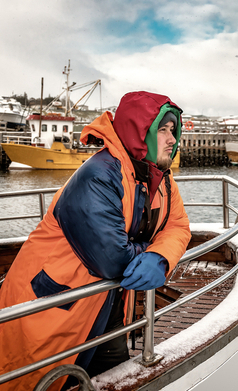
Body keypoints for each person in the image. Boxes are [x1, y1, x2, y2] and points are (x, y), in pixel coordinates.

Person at [0, 91, 191, 391]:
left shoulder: (161, 179)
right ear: (140, 134)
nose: (172, 139)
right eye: (163, 130)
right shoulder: (99, 176)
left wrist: (160, 258)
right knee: (34, 380)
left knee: (110, 378)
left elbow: (178, 225)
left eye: (173, 131)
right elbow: (113, 260)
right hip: (53, 310)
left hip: (108, 308)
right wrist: (149, 249)